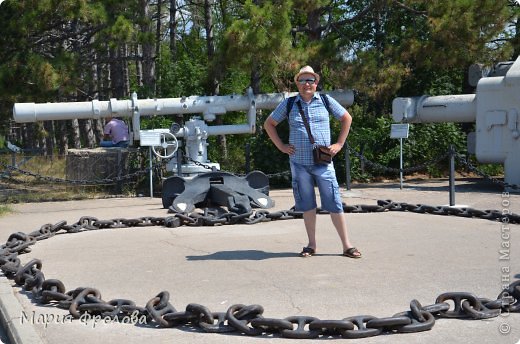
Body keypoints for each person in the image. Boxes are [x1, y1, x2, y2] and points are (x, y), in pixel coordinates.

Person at [263, 65, 361, 258]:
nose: (307, 84)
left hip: (323, 163)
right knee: (307, 204)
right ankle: (311, 245)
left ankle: (347, 245)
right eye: (302, 80)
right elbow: (269, 124)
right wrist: (281, 146)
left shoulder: (325, 101)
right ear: (297, 84)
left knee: (334, 202)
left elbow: (346, 118)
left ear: (316, 84)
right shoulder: (289, 103)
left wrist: (339, 144)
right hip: (299, 164)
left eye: (310, 80)